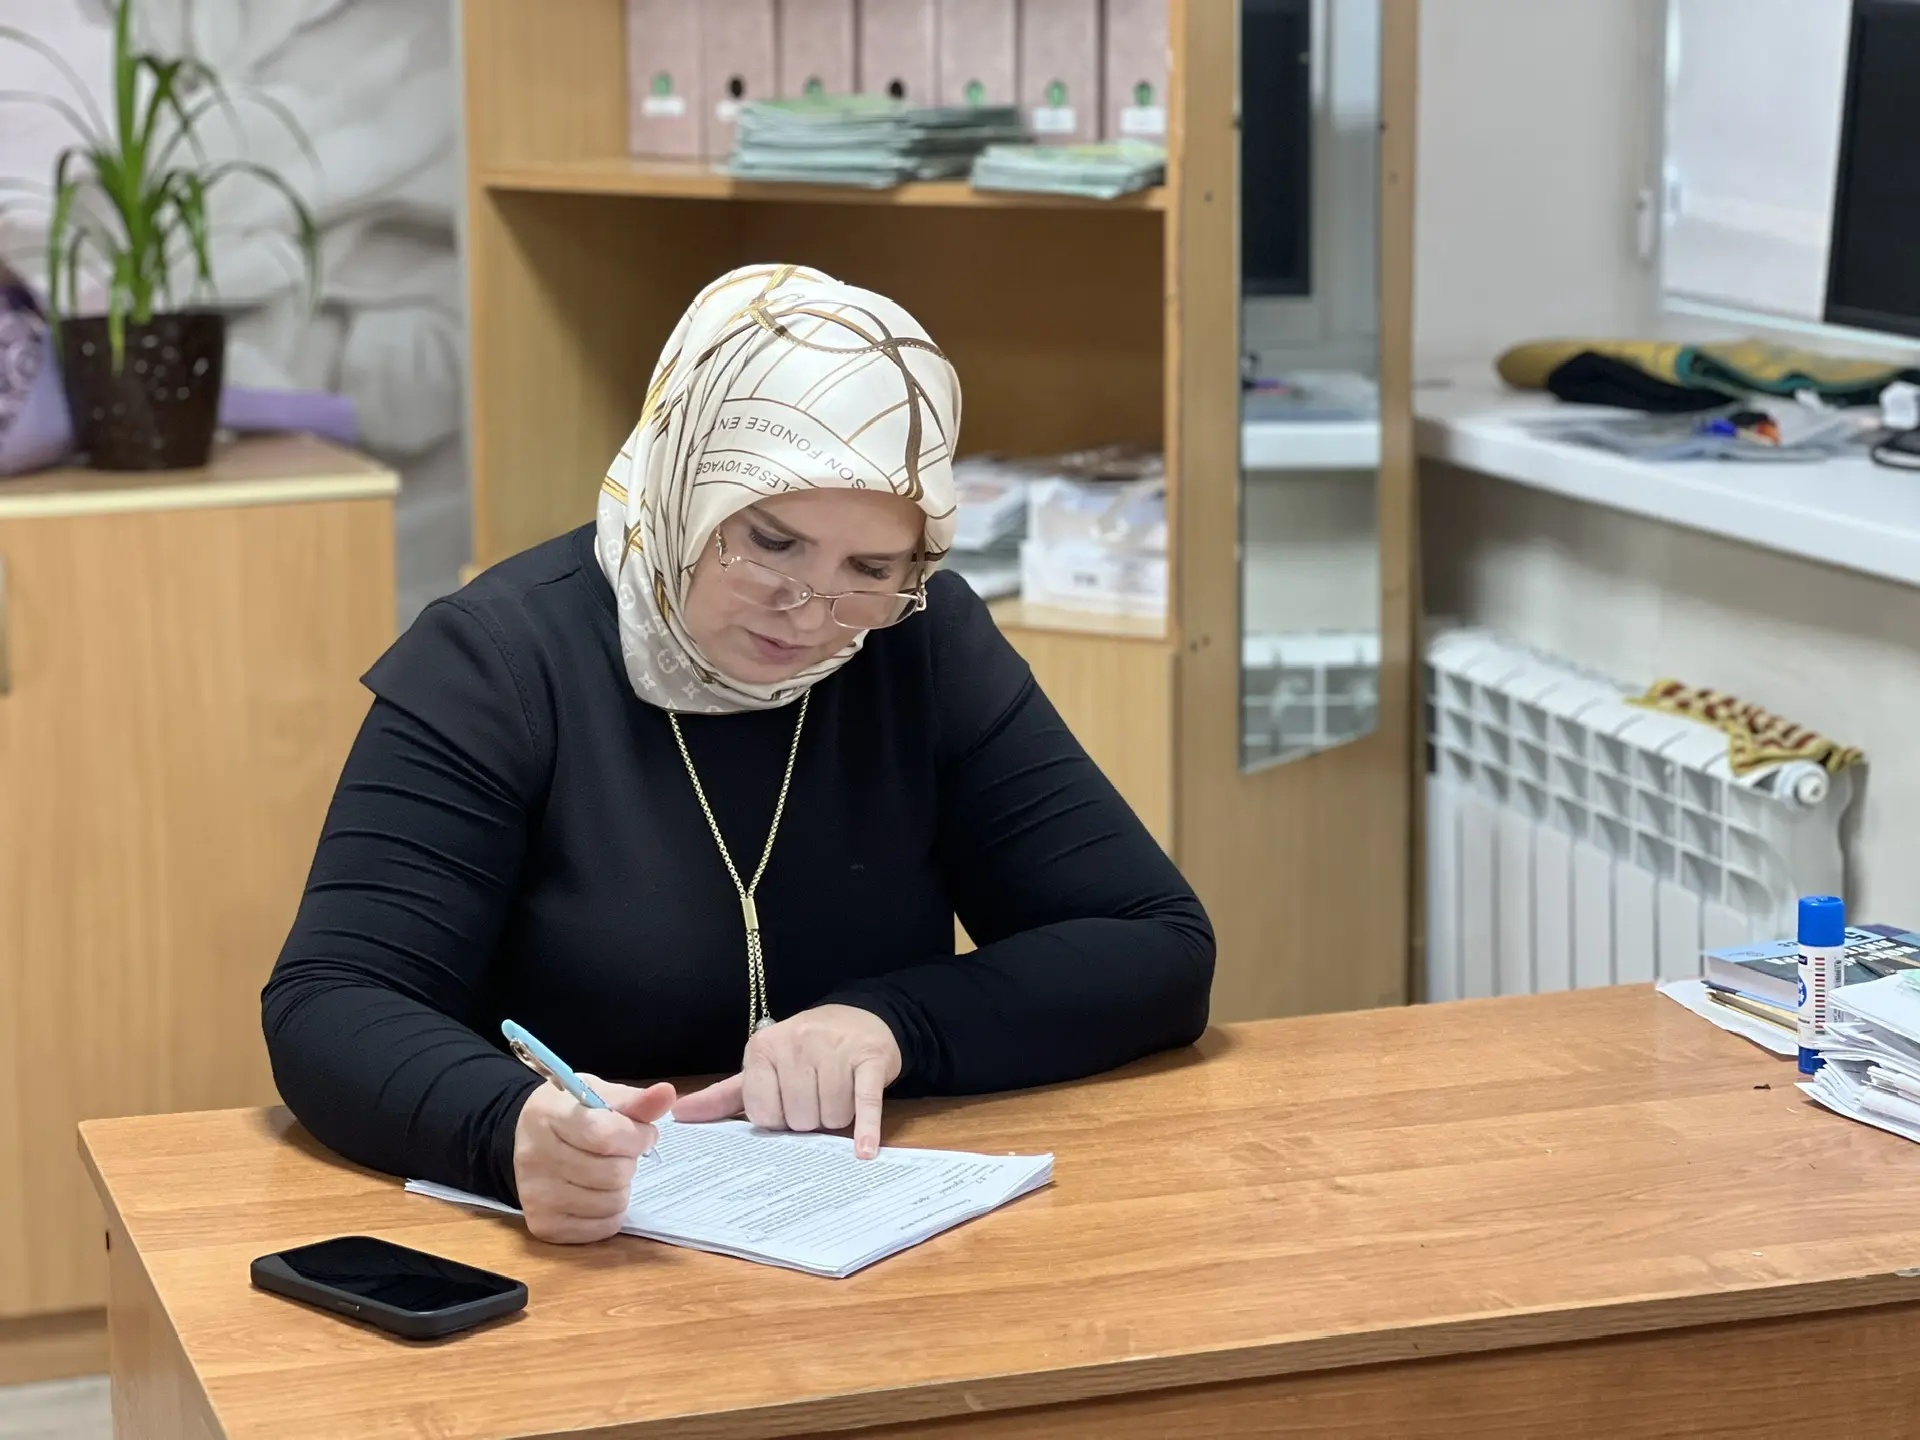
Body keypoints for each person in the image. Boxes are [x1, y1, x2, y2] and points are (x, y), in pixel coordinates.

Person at [262, 264, 1215, 1244]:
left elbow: (1155, 942)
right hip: (580, 1245)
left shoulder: (915, 644)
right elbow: (330, 1002)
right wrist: (506, 1128)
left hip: (860, 1236)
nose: (809, 611)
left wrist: (892, 1024)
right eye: (771, 543)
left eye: (870, 568)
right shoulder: (497, 661)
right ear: (687, 479)